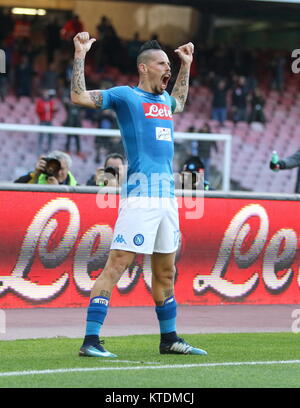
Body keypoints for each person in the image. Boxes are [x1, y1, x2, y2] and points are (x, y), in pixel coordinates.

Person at [71, 31, 207, 357]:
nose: (167, 68)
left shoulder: (164, 101)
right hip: (141, 197)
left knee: (166, 271)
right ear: (144, 68)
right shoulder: (126, 97)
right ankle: (91, 341)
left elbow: (182, 100)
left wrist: (186, 64)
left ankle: (169, 339)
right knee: (117, 265)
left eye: (169, 65)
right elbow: (78, 97)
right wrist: (79, 54)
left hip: (167, 199)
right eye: (163, 64)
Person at [35, 89, 57, 155]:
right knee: (41, 135)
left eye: (47, 94)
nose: (46, 96)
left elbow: (53, 110)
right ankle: (39, 149)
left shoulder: (51, 102)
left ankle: (49, 149)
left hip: (49, 121)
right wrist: (44, 110)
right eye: (45, 94)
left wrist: (54, 110)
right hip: (42, 121)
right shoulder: (40, 102)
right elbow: (37, 111)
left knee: (50, 135)